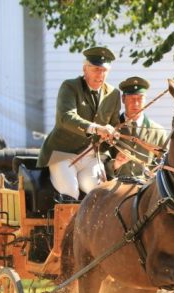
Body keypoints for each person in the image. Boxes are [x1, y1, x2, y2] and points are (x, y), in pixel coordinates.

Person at [36, 46, 122, 200]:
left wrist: (112, 135)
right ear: (85, 69)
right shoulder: (70, 87)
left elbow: (114, 125)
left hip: (91, 156)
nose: (100, 74)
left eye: (104, 70)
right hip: (63, 154)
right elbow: (66, 117)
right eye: (96, 69)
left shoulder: (114, 94)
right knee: (70, 191)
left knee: (100, 195)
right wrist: (96, 128)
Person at [112, 76, 166, 178]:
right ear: (123, 99)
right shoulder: (111, 127)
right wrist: (115, 164)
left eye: (140, 98)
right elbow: (100, 160)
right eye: (131, 98)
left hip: (146, 190)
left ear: (145, 100)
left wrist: (155, 174)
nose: (136, 103)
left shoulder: (159, 132)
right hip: (115, 187)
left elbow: (165, 164)